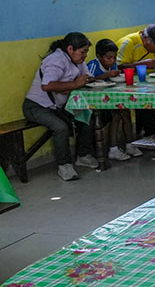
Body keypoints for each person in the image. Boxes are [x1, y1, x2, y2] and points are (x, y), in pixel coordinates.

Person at [22, 32, 100, 181]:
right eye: (83, 52)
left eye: (86, 52)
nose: (85, 56)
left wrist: (86, 81)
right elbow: (47, 85)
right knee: (60, 127)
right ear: (70, 49)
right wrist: (74, 84)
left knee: (86, 117)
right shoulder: (56, 60)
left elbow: (87, 77)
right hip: (36, 106)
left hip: (58, 107)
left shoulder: (77, 61)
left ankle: (83, 156)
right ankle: (64, 165)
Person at [116, 24, 155, 136]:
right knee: (145, 103)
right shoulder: (128, 43)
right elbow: (118, 67)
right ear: (145, 39)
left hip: (152, 84)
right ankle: (149, 135)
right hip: (130, 86)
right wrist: (142, 64)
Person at [86, 39, 142, 161]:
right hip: (96, 103)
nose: (112, 61)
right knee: (116, 114)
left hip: (111, 99)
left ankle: (130, 145)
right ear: (99, 56)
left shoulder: (113, 65)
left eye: (114, 58)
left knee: (125, 111)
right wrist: (105, 76)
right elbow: (88, 81)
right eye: (108, 58)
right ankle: (113, 149)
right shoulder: (93, 65)